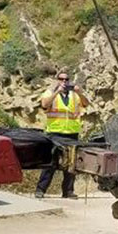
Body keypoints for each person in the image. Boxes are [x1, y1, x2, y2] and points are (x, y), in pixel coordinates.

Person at [36, 70, 89, 198]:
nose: (64, 82)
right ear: (57, 80)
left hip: (71, 133)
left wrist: (79, 92)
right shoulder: (50, 92)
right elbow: (44, 104)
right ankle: (40, 190)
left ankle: (68, 191)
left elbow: (86, 103)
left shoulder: (74, 95)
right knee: (51, 163)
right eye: (61, 79)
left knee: (71, 163)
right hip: (54, 132)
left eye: (66, 79)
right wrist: (57, 92)